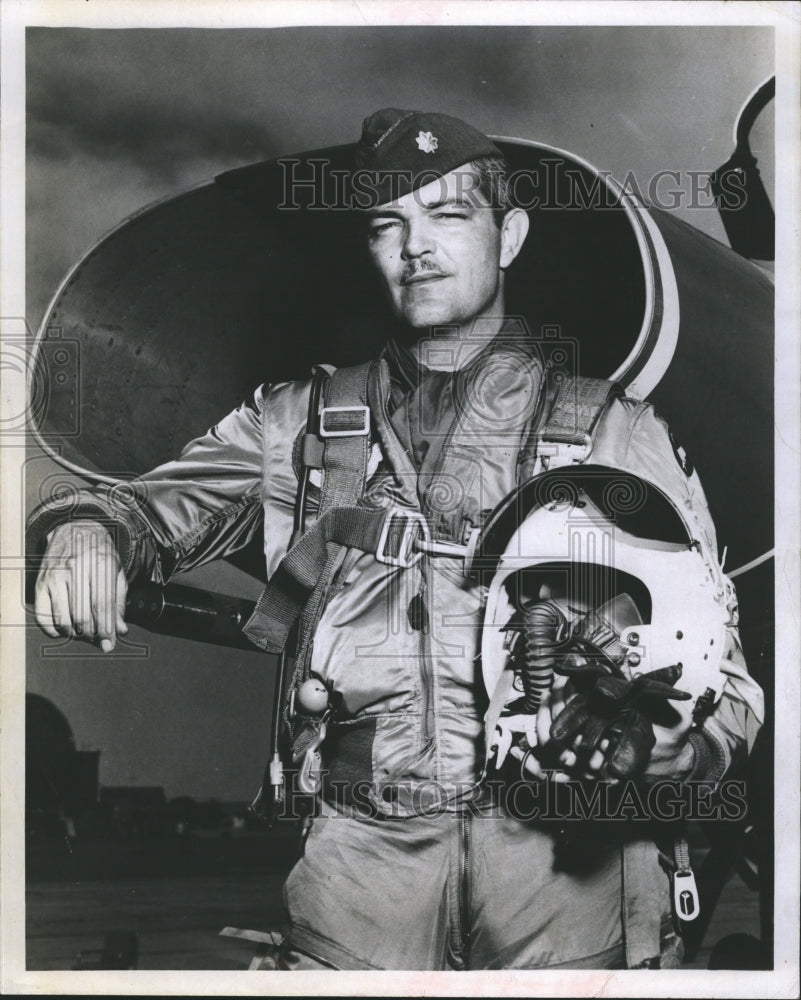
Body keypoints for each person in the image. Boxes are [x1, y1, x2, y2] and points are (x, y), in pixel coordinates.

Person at [28, 109, 764, 970]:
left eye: (449, 215)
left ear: (510, 234)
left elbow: (730, 689)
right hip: (361, 875)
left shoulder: (613, 433)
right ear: (370, 247)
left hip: (567, 880)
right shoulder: (295, 425)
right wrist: (84, 526)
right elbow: (145, 510)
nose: (418, 246)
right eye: (390, 223)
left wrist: (677, 751)